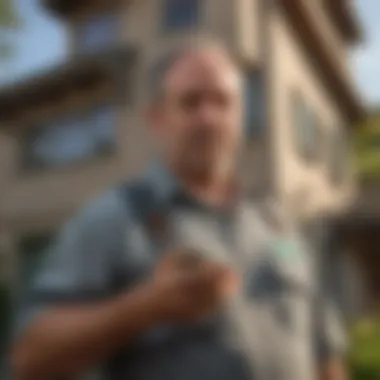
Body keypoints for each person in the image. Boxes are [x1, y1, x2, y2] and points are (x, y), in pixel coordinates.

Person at [11, 37, 348, 380]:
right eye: (191, 102)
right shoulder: (112, 219)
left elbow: (324, 351)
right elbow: (29, 358)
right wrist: (144, 307)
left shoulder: (280, 225)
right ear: (158, 120)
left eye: (223, 102)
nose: (209, 118)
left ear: (240, 116)